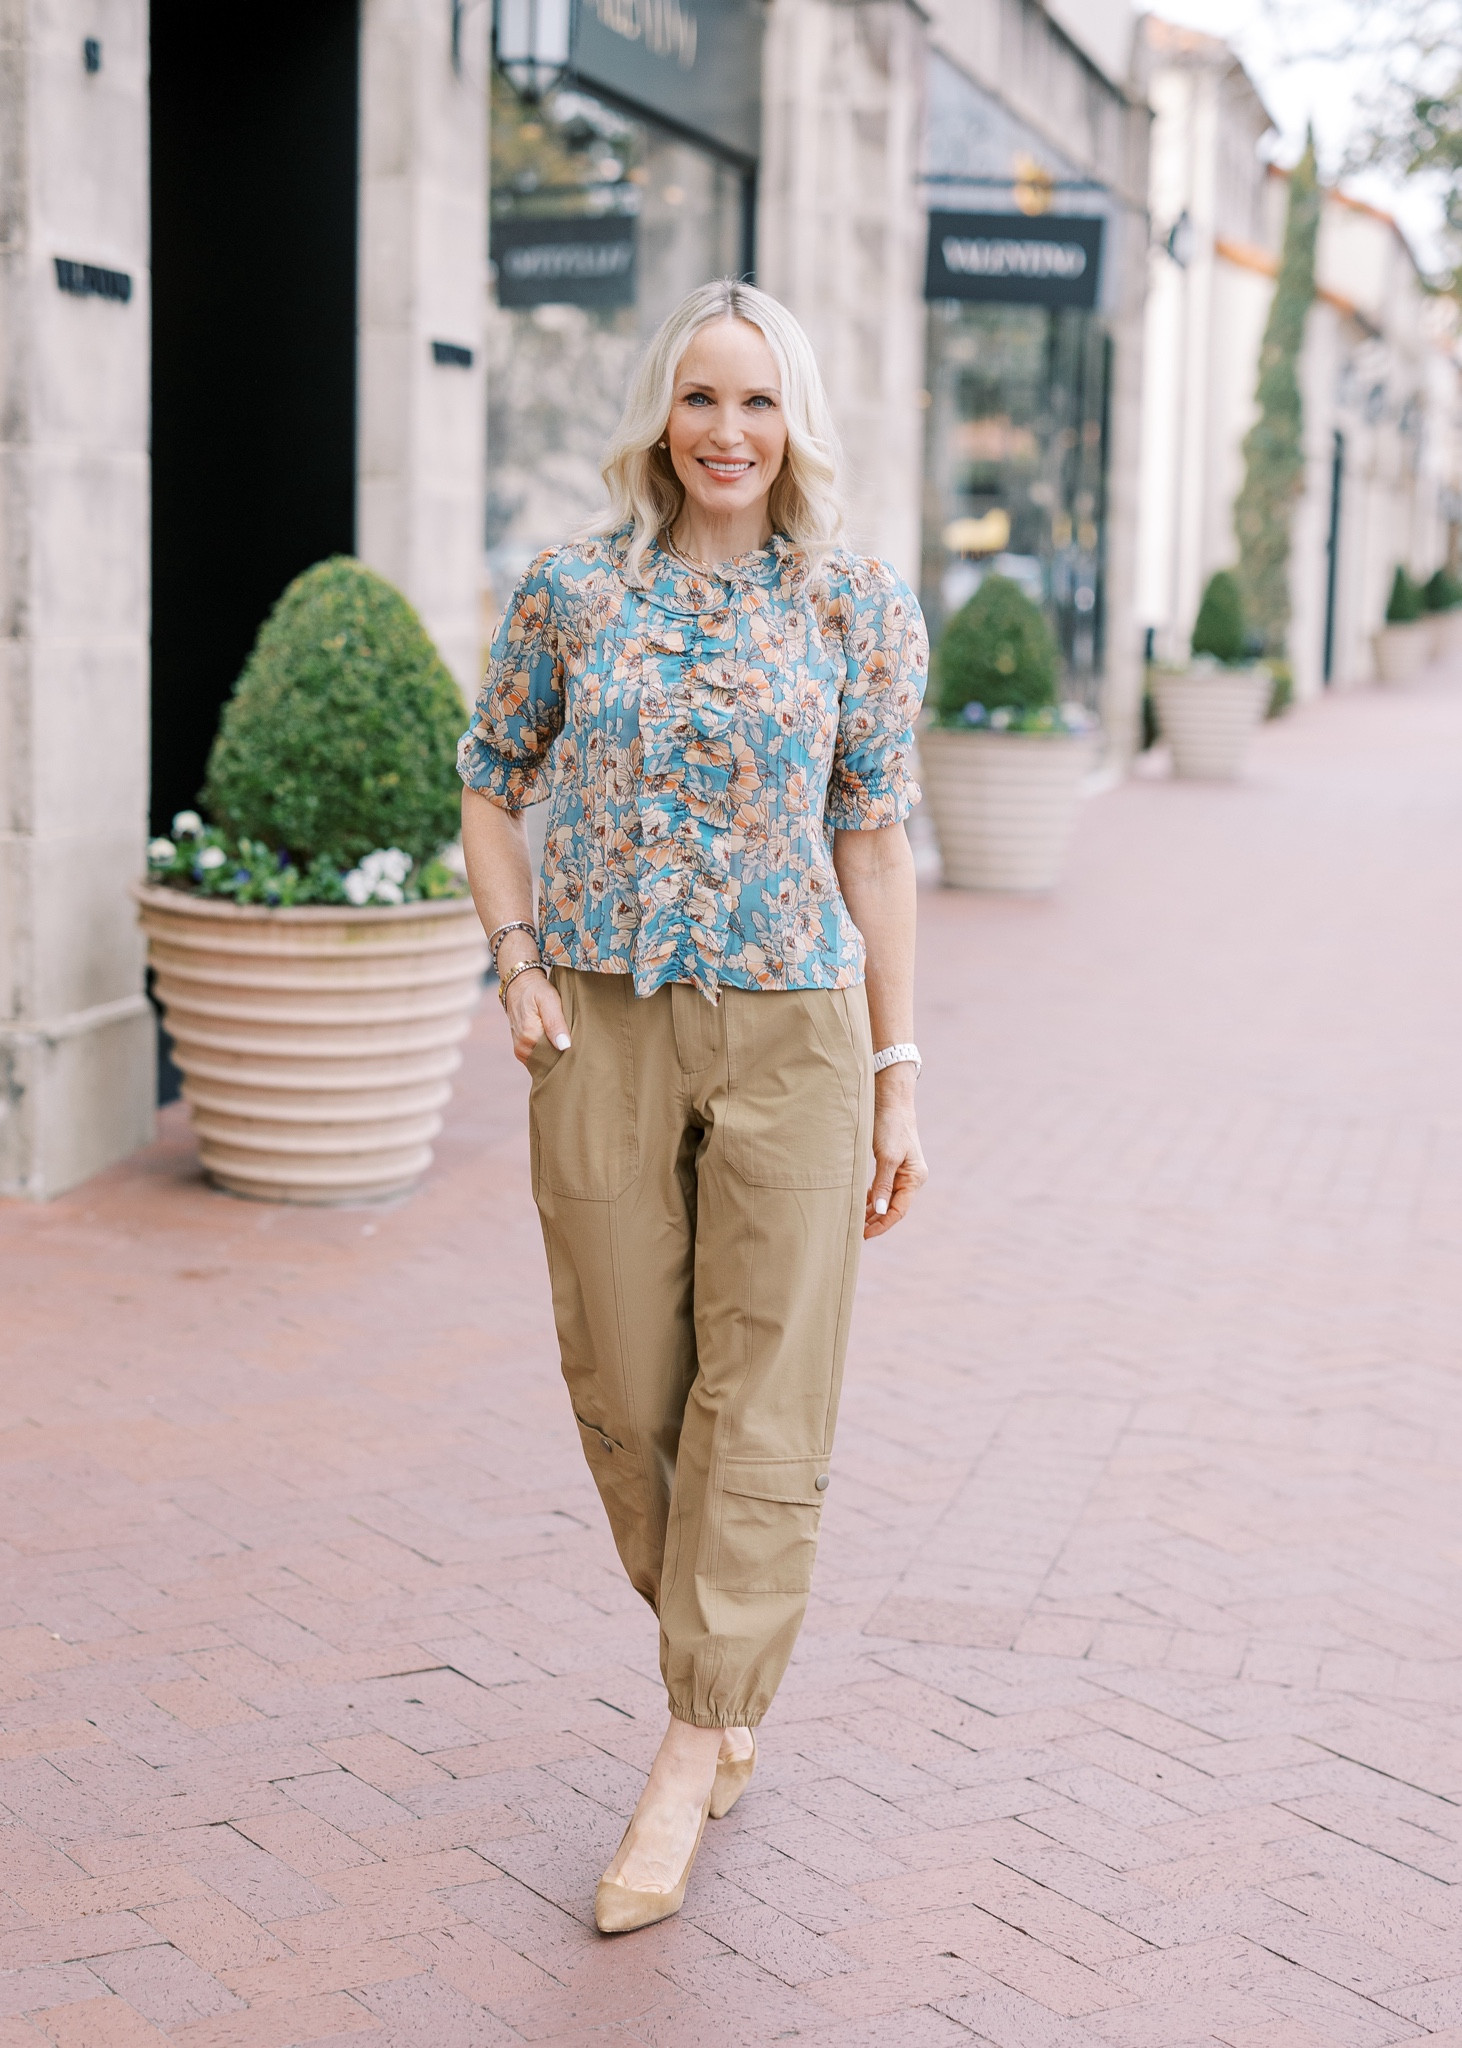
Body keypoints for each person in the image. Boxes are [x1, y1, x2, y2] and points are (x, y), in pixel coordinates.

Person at [459, 279, 928, 1934]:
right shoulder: (573, 594)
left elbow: (873, 842)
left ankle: (686, 1746)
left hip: (796, 1026)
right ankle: (721, 1666)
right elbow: (488, 774)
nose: (728, 433)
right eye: (700, 400)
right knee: (626, 1376)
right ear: (661, 415)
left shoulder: (855, 606)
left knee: (768, 1387)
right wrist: (514, 959)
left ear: (796, 424)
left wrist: (894, 1073)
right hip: (593, 1017)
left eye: (759, 403)